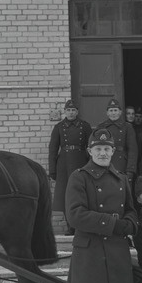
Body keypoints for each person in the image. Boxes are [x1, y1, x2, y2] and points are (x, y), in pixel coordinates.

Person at [64, 129, 139, 283]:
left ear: (113, 152)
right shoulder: (79, 177)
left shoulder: (120, 179)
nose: (104, 153)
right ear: (90, 152)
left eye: (107, 149)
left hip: (115, 249)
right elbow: (75, 215)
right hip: (91, 249)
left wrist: (130, 223)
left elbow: (130, 209)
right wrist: (112, 223)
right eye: (99, 149)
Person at [48, 99, 92, 235]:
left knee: (82, 193)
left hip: (80, 161)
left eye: (73, 110)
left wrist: (92, 166)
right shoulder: (59, 127)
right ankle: (70, 225)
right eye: (68, 110)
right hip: (64, 165)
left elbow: (90, 147)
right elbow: (53, 149)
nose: (71, 113)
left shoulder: (85, 126)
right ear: (65, 112)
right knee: (66, 195)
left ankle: (82, 224)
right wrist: (53, 170)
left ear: (77, 112)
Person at [94, 98, 138, 188]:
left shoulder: (127, 127)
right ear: (107, 113)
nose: (113, 113)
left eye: (115, 110)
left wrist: (130, 170)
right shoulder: (101, 127)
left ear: (120, 112)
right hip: (105, 163)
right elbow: (94, 148)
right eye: (111, 110)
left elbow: (132, 150)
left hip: (122, 165)